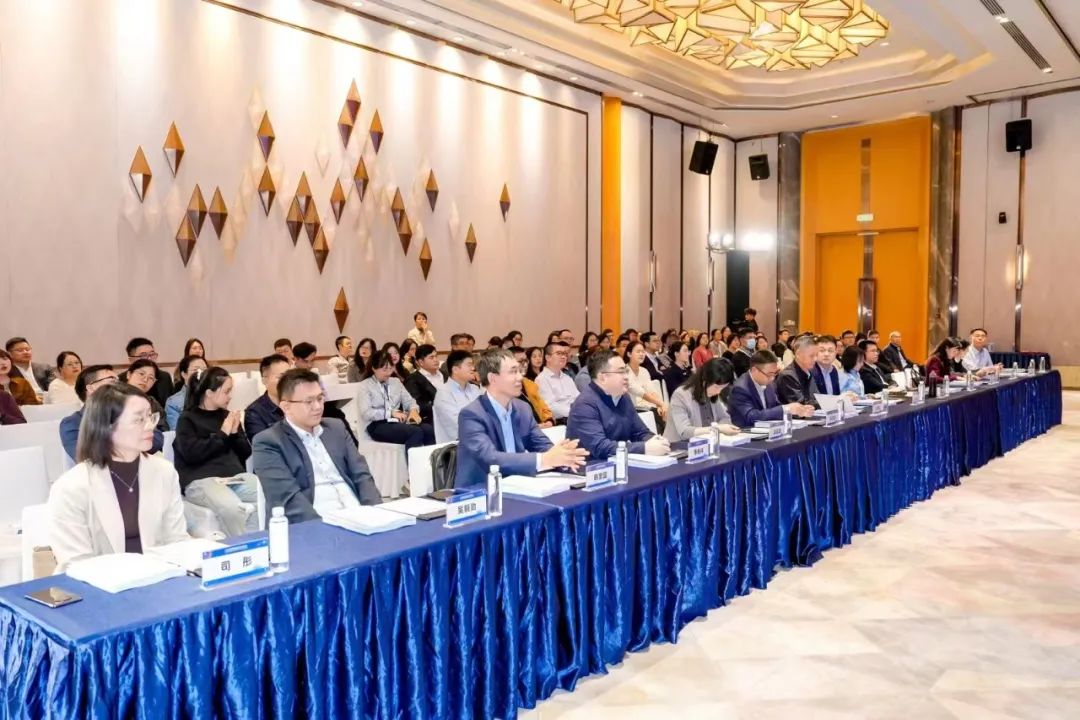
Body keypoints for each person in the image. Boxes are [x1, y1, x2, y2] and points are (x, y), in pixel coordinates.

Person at [48, 383, 190, 572]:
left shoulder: (164, 471)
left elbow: (177, 540)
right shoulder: (71, 486)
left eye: (150, 416)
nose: (151, 426)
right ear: (107, 426)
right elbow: (75, 562)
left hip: (160, 576)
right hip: (99, 582)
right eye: (139, 420)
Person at [252, 369, 382, 523]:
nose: (318, 407)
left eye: (320, 399)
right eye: (309, 402)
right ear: (286, 407)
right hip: (314, 522)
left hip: (358, 515)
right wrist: (322, 528)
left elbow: (361, 475)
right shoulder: (269, 442)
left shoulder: (336, 428)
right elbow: (288, 499)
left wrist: (376, 514)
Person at [455, 349, 588, 487]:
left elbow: (541, 445)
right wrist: (544, 460)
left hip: (517, 485)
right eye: (513, 372)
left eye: (519, 371)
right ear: (492, 378)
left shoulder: (523, 408)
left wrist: (564, 456)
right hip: (480, 491)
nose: (520, 377)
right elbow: (491, 458)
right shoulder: (472, 414)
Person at [173, 367, 260, 537]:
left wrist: (234, 434)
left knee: (270, 494)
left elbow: (245, 453)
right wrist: (222, 434)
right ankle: (243, 546)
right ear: (209, 393)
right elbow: (192, 455)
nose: (230, 396)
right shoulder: (187, 419)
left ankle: (267, 542)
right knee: (233, 508)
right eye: (226, 391)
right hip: (202, 481)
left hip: (234, 478)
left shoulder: (227, 416)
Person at [567, 349, 670, 459]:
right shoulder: (584, 405)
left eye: (626, 371)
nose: (626, 377)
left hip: (620, 461)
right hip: (591, 466)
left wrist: (656, 441)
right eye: (621, 372)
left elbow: (639, 432)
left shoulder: (623, 397)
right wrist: (644, 448)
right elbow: (600, 447)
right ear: (603, 377)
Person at [358, 350, 435, 450]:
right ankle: (413, 460)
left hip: (398, 422)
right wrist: (391, 413)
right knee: (415, 432)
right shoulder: (365, 385)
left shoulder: (395, 382)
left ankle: (432, 459)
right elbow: (366, 413)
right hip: (377, 425)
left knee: (428, 429)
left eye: (390, 368)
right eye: (384, 369)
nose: (388, 373)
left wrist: (413, 410)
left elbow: (410, 401)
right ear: (374, 368)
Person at [729, 350, 814, 427]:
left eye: (775, 373)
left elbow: (775, 407)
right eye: (769, 374)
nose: (772, 378)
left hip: (769, 430)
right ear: (755, 370)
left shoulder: (770, 384)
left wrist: (797, 411)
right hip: (746, 433)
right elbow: (751, 416)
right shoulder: (740, 388)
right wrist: (785, 409)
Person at [664, 358, 740, 442]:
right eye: (716, 387)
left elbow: (724, 418)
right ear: (705, 380)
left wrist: (722, 428)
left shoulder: (712, 393)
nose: (718, 392)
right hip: (679, 446)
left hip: (705, 444)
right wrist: (717, 429)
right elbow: (684, 431)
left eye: (722, 388)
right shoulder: (681, 395)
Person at [60, 365, 126, 460]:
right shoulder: (73, 423)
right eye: (112, 381)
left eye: (119, 382)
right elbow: (86, 458)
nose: (120, 387)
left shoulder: (125, 415)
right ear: (91, 388)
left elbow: (149, 446)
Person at [432, 350, 482, 442]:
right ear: (455, 370)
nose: (473, 368)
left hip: (481, 438)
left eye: (473, 365)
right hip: (457, 444)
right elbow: (457, 425)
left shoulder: (475, 389)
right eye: (469, 365)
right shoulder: (444, 393)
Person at [245, 353, 291, 441]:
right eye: (281, 377)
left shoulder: (297, 402)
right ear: (264, 380)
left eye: (289, 376)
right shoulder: (254, 412)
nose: (287, 381)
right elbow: (263, 444)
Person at [624, 340, 668, 426]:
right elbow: (641, 393)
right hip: (633, 409)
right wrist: (661, 403)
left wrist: (659, 405)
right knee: (658, 415)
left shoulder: (644, 371)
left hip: (647, 407)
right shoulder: (625, 371)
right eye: (638, 352)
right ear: (629, 354)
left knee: (663, 412)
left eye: (643, 352)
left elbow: (652, 391)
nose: (641, 354)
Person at [121, 338, 174, 407]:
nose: (149, 359)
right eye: (143, 355)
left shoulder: (164, 377)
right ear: (131, 360)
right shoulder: (119, 380)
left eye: (152, 354)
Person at [510, 346, 554, 427]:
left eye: (526, 360)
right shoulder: (504, 388)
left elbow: (543, 407)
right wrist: (534, 427)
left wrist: (549, 420)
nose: (525, 364)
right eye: (520, 361)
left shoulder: (530, 383)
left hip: (542, 427)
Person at [536, 342, 579, 423]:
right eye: (559, 353)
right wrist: (575, 412)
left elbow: (578, 398)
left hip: (576, 417)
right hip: (560, 421)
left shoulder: (567, 378)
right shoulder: (542, 379)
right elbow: (550, 407)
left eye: (564, 354)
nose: (563, 357)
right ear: (548, 357)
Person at [124, 359, 171, 433]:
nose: (145, 380)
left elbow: (163, 430)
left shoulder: (153, 403)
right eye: (141, 374)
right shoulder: (114, 399)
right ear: (129, 375)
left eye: (151, 378)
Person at [775, 335, 821, 408]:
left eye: (816, 355)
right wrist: (824, 403)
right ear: (798, 354)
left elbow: (816, 398)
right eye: (811, 356)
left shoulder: (809, 372)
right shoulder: (787, 376)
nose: (815, 359)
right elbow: (801, 405)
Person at [165, 355, 208, 429]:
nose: (201, 373)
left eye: (205, 370)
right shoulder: (173, 402)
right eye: (196, 370)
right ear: (184, 374)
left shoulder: (213, 395)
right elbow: (176, 430)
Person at [403, 344, 442, 425]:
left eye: (436, 356)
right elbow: (416, 403)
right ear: (421, 362)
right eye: (431, 357)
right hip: (430, 419)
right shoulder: (413, 380)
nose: (436, 360)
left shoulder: (445, 374)